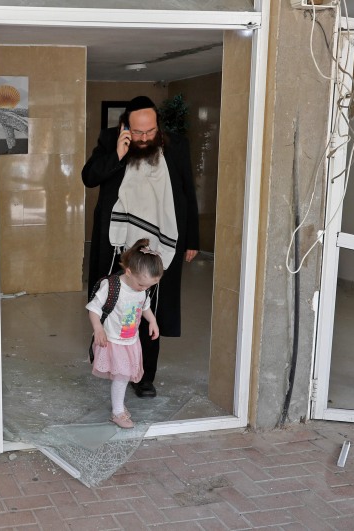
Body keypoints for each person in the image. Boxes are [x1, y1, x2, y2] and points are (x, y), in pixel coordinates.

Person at [82, 95, 199, 398]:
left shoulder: (176, 146)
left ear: (157, 125)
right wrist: (118, 154)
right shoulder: (112, 141)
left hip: (160, 242)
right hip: (117, 242)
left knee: (151, 307)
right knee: (111, 299)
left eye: (150, 132)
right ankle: (104, 350)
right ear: (125, 127)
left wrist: (192, 240)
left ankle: (144, 377)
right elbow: (89, 177)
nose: (145, 139)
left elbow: (187, 192)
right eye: (138, 133)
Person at [86, 239, 163, 429]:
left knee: (124, 375)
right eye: (141, 285)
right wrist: (98, 329)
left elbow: (145, 306)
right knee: (121, 377)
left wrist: (152, 321)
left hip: (131, 341)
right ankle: (118, 412)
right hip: (113, 341)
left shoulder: (142, 289)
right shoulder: (113, 287)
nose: (144, 289)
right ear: (128, 272)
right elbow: (94, 309)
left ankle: (118, 406)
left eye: (149, 286)